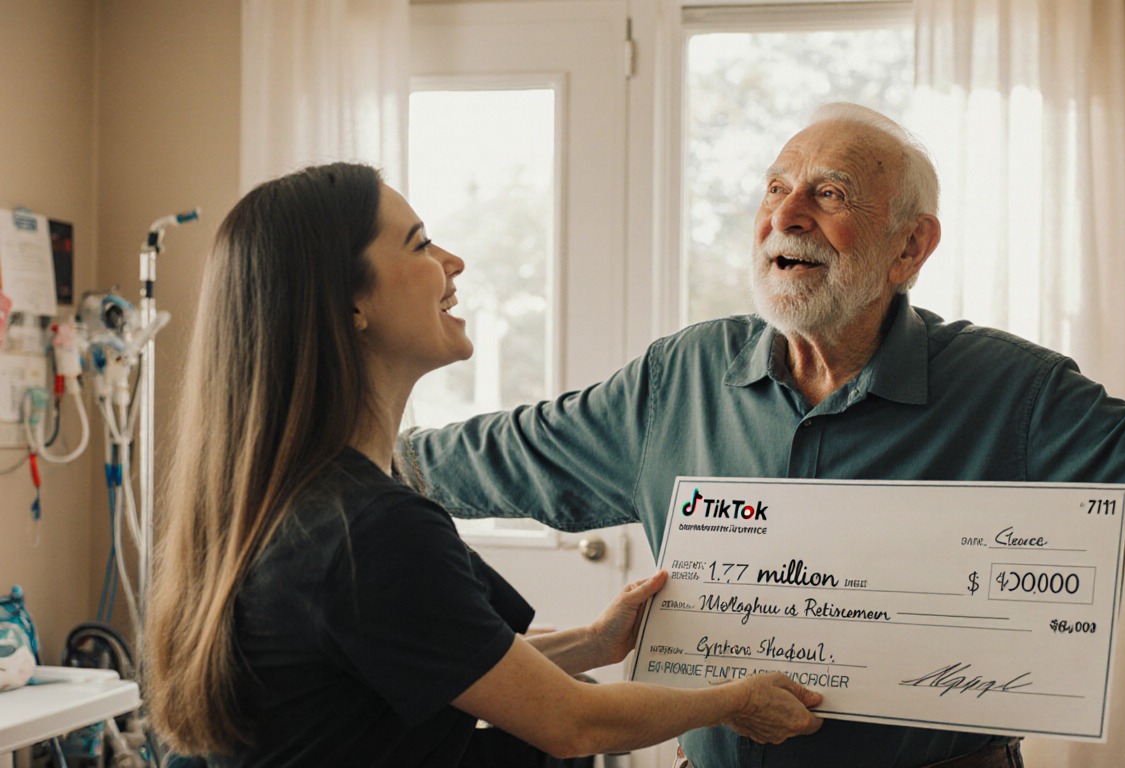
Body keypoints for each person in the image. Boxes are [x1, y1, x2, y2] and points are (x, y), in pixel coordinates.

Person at [397, 101, 1125, 768]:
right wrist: (329, 452)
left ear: (910, 247)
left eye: (830, 193)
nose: (786, 215)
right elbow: (471, 460)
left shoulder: (1015, 396)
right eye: (775, 188)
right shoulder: (673, 382)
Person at [143, 163, 826, 768]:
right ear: (349, 304)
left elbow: (455, 666)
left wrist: (595, 641)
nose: (454, 261)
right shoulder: (368, 530)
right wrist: (733, 701)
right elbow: (572, 723)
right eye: (419, 245)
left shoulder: (300, 500)